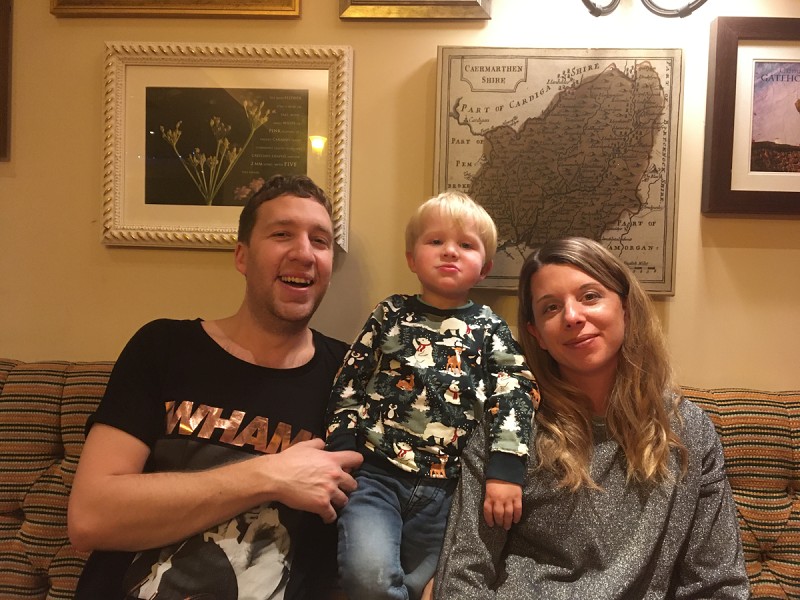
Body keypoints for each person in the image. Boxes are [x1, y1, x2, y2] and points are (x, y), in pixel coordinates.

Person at [68, 174, 364, 600]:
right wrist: (270, 476)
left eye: (320, 241)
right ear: (242, 256)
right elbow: (90, 517)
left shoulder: (351, 378)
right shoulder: (164, 347)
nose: (304, 252)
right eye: (282, 234)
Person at [434, 236, 750, 599]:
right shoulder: (507, 429)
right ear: (536, 334)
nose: (572, 317)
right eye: (551, 308)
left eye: (589, 296)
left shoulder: (687, 430)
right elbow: (462, 576)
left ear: (625, 307)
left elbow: (718, 583)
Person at [325, 190, 540, 600]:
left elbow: (515, 391)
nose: (450, 252)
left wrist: (505, 470)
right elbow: (349, 377)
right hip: (375, 476)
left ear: (484, 268)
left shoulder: (491, 329)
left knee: (430, 588)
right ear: (412, 258)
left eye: (466, 245)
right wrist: (341, 450)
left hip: (448, 490)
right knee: (367, 578)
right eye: (436, 241)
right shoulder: (390, 314)